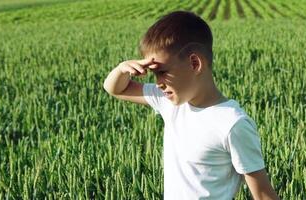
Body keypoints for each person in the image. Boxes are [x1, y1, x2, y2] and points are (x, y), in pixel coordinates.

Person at [103, 11, 279, 200]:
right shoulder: (168, 102)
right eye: (154, 74)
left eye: (162, 72)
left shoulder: (232, 124)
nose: (158, 83)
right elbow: (116, 89)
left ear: (195, 63)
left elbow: (263, 195)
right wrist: (122, 68)